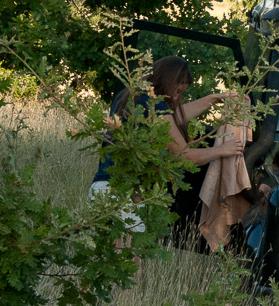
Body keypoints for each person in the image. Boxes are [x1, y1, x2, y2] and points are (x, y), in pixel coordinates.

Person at [89, 56, 244, 240]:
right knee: (130, 261)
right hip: (120, 194)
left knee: (114, 262)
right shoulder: (154, 105)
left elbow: (174, 117)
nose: (176, 97)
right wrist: (222, 150)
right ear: (168, 80)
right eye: (177, 90)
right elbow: (184, 155)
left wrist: (213, 99)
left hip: (101, 189)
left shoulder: (129, 96)